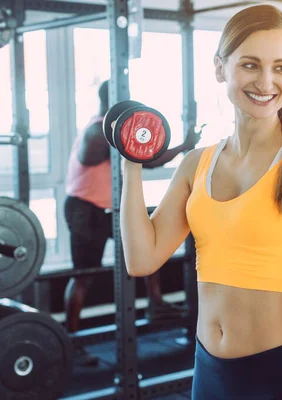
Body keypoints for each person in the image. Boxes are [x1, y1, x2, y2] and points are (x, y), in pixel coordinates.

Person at [119, 5, 282, 400]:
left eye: (280, 67)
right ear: (220, 68)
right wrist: (131, 164)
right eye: (250, 65)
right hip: (208, 372)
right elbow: (141, 259)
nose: (266, 81)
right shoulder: (198, 163)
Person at [64, 80, 198, 366]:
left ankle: (156, 303)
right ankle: (72, 343)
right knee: (83, 277)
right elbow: (147, 158)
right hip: (84, 210)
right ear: (115, 101)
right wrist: (186, 145)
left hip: (107, 210)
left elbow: (147, 154)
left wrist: (183, 145)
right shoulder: (99, 131)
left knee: (145, 243)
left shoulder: (108, 128)